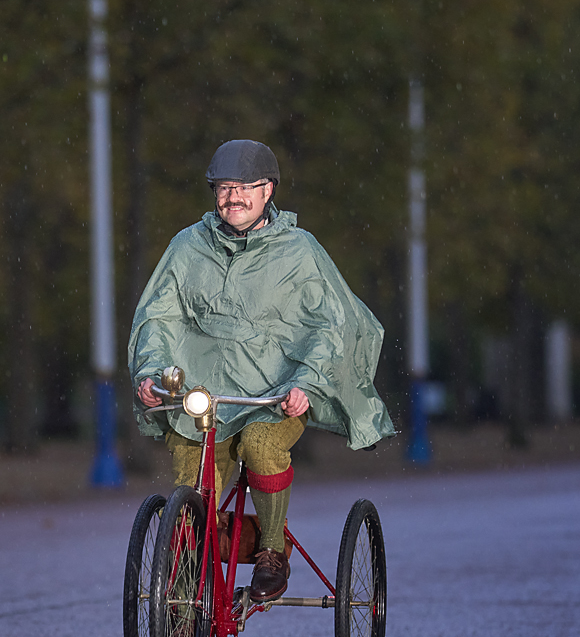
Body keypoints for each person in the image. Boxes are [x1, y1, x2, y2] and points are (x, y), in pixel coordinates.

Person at [129, 139, 395, 600]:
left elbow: (333, 324)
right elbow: (159, 316)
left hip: (273, 396)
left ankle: (271, 550)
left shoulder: (299, 251)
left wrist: (306, 384)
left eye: (244, 187)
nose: (233, 197)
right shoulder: (187, 247)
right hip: (205, 395)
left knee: (260, 445)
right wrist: (151, 373)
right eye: (223, 188)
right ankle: (186, 592)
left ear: (268, 190)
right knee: (193, 477)